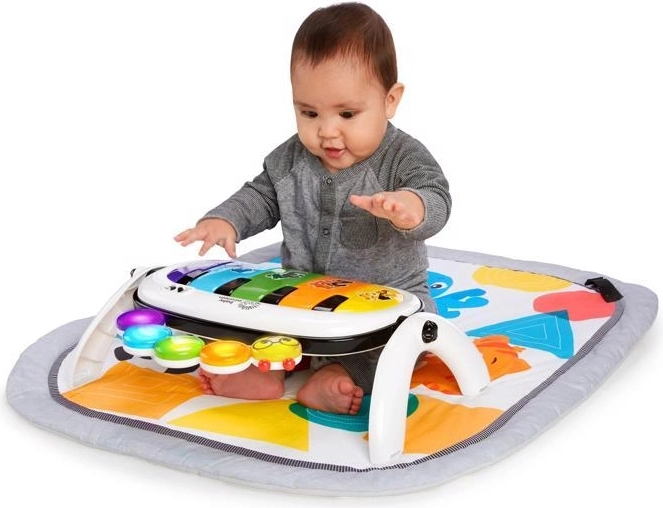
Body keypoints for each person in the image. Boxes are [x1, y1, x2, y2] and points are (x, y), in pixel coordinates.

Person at [174, 2, 451, 415]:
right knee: (253, 318)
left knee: (404, 342)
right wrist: (225, 219)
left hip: (385, 303)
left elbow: (436, 195)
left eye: (347, 114)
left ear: (390, 100)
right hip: (299, 299)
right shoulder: (290, 159)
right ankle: (267, 371)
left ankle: (338, 376)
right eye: (309, 112)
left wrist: (412, 206)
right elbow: (262, 195)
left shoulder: (403, 157)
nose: (326, 131)